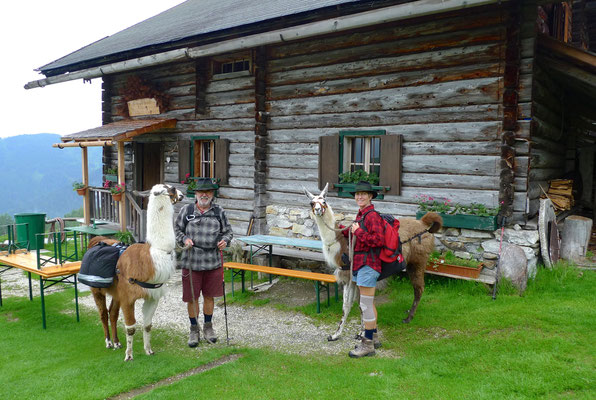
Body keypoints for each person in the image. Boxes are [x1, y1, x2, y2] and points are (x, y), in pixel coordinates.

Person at [175, 177, 233, 347]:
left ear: (212, 194)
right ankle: (194, 329)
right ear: (196, 194)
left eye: (208, 192)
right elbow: (177, 230)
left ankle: (208, 327)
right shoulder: (187, 211)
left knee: (209, 296)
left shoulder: (218, 212)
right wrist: (184, 239)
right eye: (201, 192)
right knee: (192, 298)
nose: (204, 195)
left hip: (212, 261)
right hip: (191, 261)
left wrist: (225, 241)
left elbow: (228, 232)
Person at [341, 181, 384, 358]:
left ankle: (367, 346)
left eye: (364, 194)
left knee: (365, 304)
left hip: (369, 265)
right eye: (357, 194)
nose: (359, 196)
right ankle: (373, 336)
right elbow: (359, 234)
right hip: (361, 264)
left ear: (371, 196)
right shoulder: (361, 215)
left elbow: (378, 240)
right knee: (369, 303)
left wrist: (358, 232)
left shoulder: (372, 216)